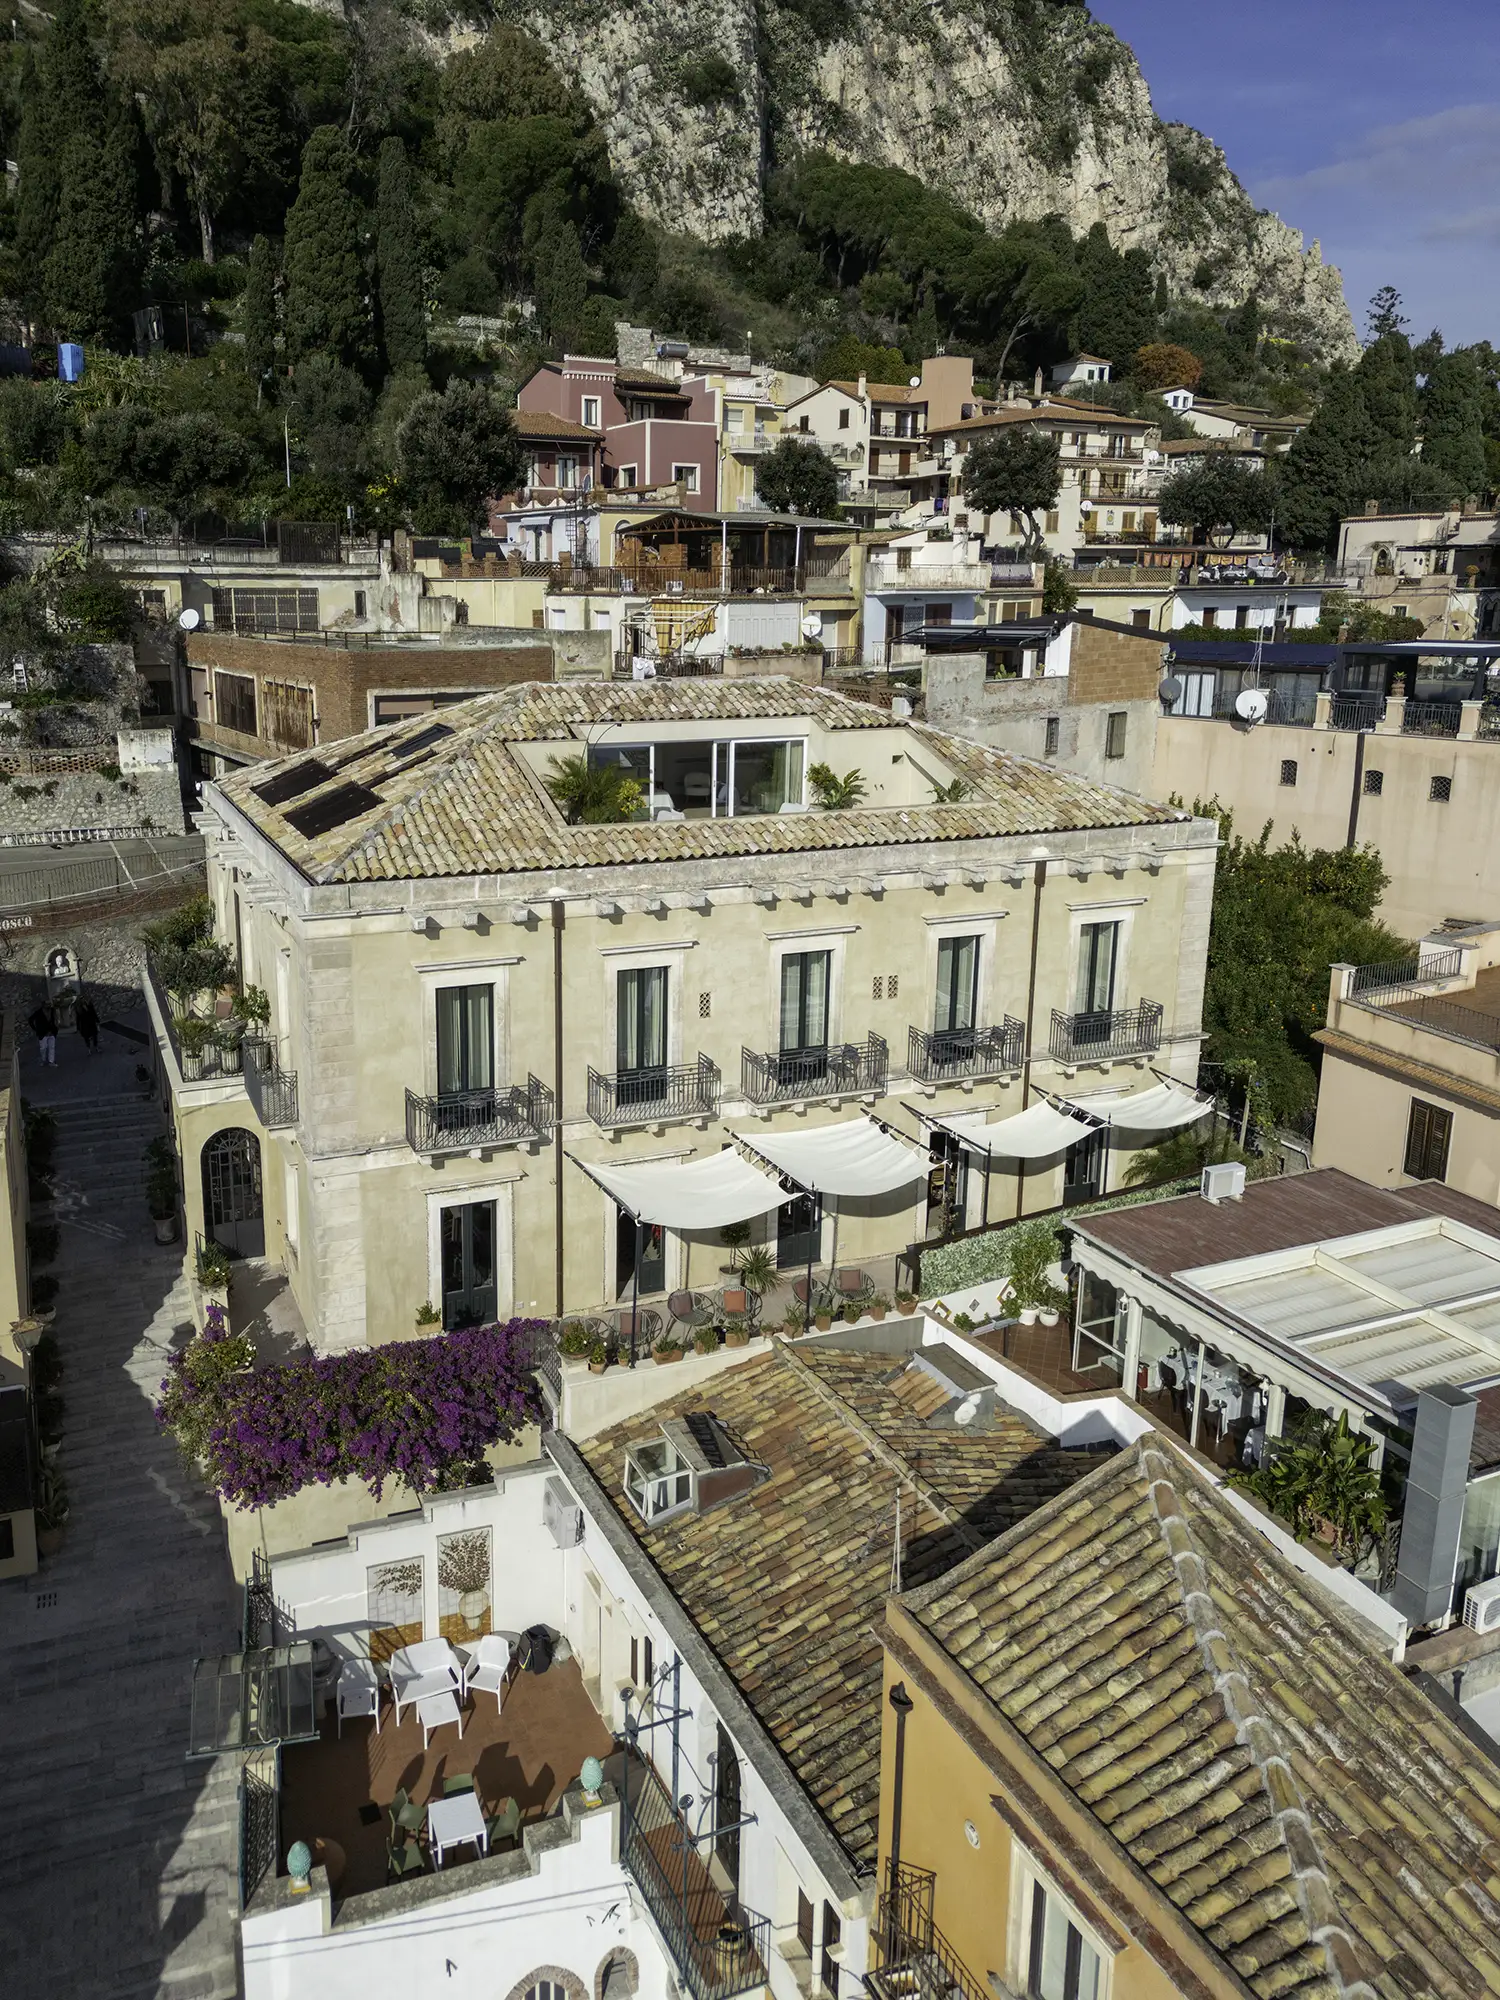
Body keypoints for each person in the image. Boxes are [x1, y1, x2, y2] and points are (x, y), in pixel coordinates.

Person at [28, 1000, 57, 1067]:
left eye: (50, 1004)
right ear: (43, 1005)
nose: (49, 1005)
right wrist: (35, 1029)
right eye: (47, 1004)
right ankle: (43, 1060)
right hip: (42, 1033)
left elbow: (55, 1019)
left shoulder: (52, 1010)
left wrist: (55, 1028)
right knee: (43, 1048)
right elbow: (30, 1020)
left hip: (52, 1032)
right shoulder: (38, 1013)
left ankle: (51, 1061)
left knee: (52, 1047)